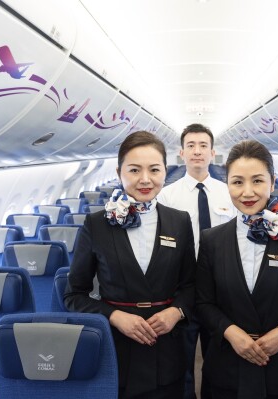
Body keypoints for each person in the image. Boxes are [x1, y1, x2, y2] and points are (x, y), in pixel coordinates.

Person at [64, 131, 196, 399]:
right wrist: (114, 316)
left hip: (167, 347)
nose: (145, 179)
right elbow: (74, 295)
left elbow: (192, 286)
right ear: (119, 171)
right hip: (116, 347)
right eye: (134, 170)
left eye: (154, 170)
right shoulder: (97, 224)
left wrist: (176, 313)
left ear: (165, 171)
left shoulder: (179, 221)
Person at [196, 140, 278, 399]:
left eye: (257, 181)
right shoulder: (211, 239)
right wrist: (232, 334)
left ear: (272, 183)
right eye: (238, 182)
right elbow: (203, 303)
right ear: (227, 184)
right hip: (226, 365)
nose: (247, 192)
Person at [157, 123, 236, 399]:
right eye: (191, 145)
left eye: (203, 145)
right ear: (181, 153)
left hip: (221, 287)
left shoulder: (229, 192)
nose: (197, 151)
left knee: (220, 358)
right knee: (183, 359)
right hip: (184, 286)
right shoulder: (167, 195)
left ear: (213, 152)